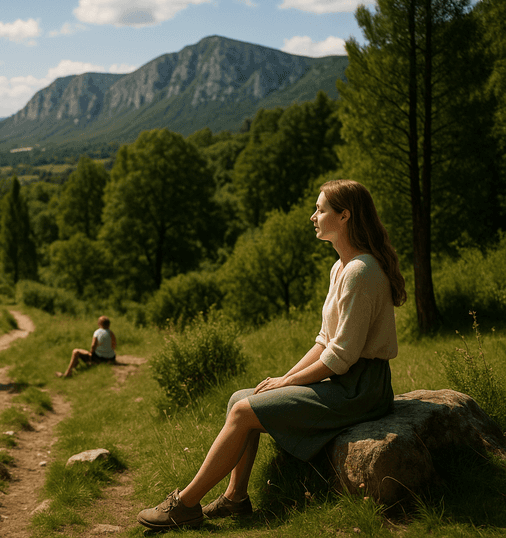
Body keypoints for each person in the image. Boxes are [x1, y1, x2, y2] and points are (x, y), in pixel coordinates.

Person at [137, 179, 407, 530]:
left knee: (244, 409)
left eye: (320, 209)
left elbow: (341, 356)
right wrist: (283, 380)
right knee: (241, 398)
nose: (313, 216)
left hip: (360, 390)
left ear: (344, 216)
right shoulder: (341, 267)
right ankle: (236, 498)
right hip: (344, 381)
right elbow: (324, 340)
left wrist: (288, 382)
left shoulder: (361, 271)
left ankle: (185, 505)